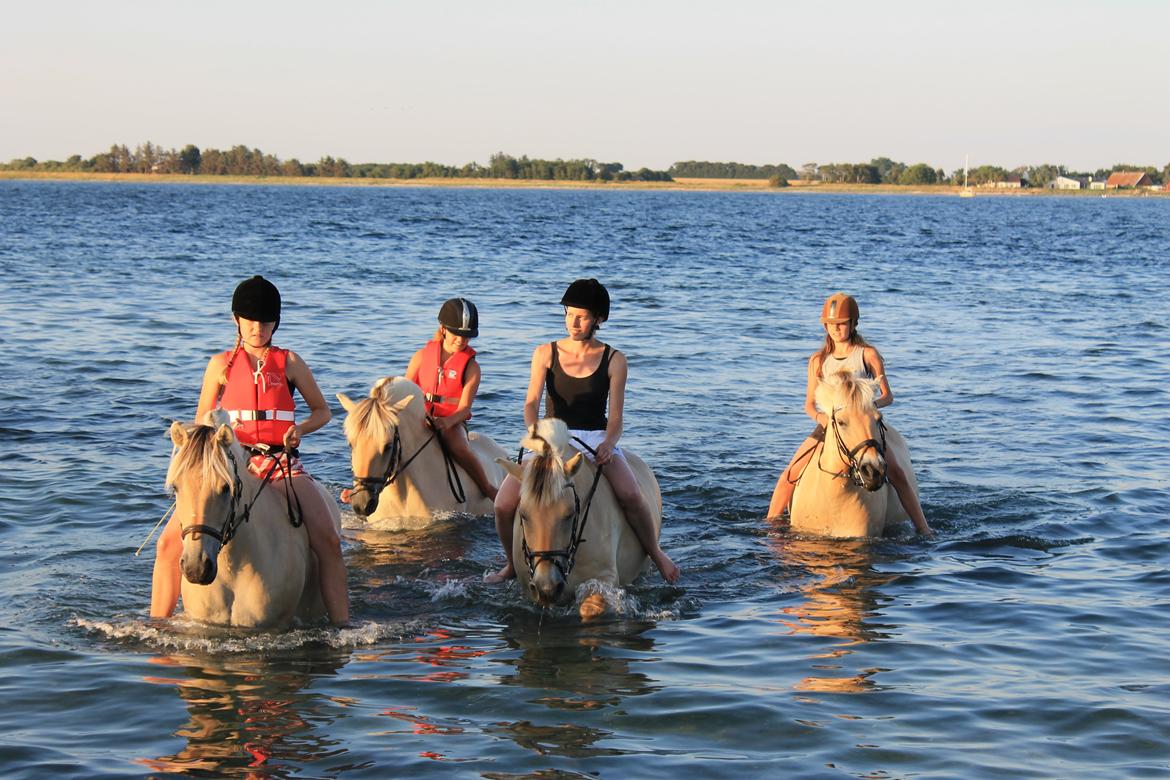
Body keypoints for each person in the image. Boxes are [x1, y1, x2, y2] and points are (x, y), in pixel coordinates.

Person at [150, 275, 350, 625]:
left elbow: (323, 411)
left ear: (276, 323)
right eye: (251, 321)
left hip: (280, 464)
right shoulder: (220, 365)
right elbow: (201, 420)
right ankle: (156, 625)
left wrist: (298, 429)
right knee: (167, 545)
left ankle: (343, 626)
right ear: (236, 320)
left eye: (266, 321)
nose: (258, 328)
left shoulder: (290, 363)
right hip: (230, 463)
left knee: (329, 540)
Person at [486, 278, 680, 584]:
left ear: (598, 320)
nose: (573, 322)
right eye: (569, 314)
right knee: (503, 503)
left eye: (582, 316)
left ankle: (656, 553)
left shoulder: (614, 360)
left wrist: (610, 442)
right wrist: (535, 431)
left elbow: (615, 418)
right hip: (551, 439)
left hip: (594, 438)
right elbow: (530, 403)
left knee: (630, 493)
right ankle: (512, 564)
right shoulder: (545, 353)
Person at [767, 292, 932, 536]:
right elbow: (809, 404)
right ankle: (771, 525)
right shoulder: (818, 360)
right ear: (825, 326)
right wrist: (822, 419)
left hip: (865, 426)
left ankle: (924, 528)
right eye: (832, 324)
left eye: (842, 324)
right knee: (789, 473)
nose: (837, 329)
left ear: (853, 324)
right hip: (830, 425)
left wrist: (868, 406)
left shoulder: (867, 355)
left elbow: (888, 395)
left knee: (896, 472)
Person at [404, 297, 498, 500]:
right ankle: (365, 488)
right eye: (457, 334)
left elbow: (465, 409)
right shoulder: (421, 357)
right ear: (443, 328)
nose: (461, 340)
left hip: (451, 422)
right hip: (421, 416)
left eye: (467, 336)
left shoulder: (472, 367)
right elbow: (406, 390)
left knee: (457, 446)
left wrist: (446, 422)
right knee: (389, 441)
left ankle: (486, 487)